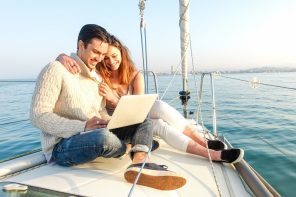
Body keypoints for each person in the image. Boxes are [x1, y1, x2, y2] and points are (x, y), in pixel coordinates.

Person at [30, 24, 186, 191]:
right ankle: (134, 146)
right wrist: (82, 126)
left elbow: (101, 112)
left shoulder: (96, 77)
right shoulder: (56, 69)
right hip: (62, 145)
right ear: (80, 45)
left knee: (142, 119)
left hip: (94, 132)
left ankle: (139, 161)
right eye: (96, 52)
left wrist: (112, 122)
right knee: (103, 138)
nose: (99, 59)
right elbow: (38, 115)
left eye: (102, 54)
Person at [57, 35, 244, 164]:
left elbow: (137, 110)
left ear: (122, 53)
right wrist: (61, 57)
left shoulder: (134, 75)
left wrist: (115, 97)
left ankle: (204, 144)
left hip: (132, 120)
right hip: (113, 122)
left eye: (114, 56)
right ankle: (212, 154)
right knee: (159, 125)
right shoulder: (98, 74)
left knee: (160, 108)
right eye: (105, 58)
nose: (110, 61)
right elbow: (80, 62)